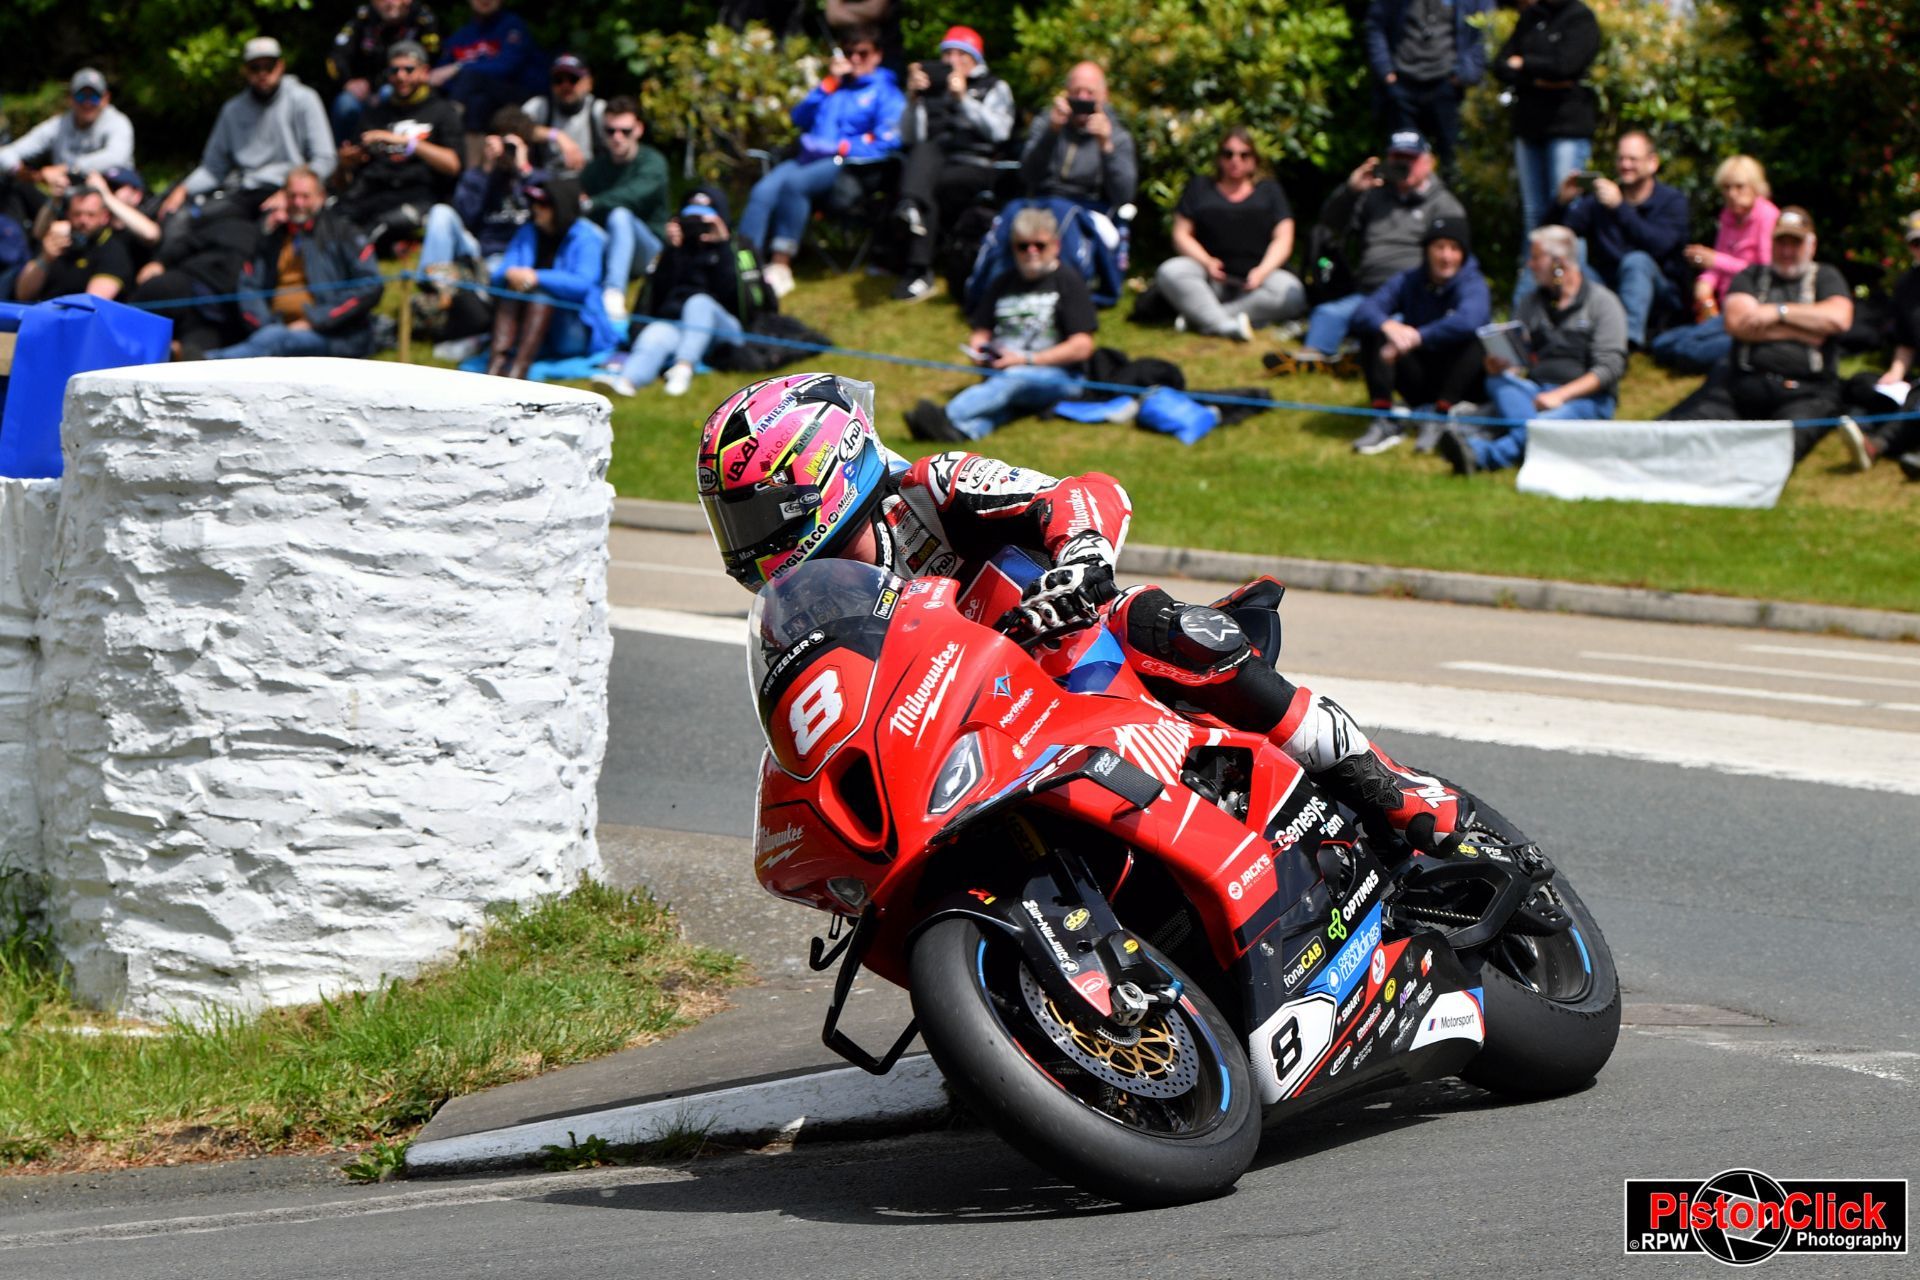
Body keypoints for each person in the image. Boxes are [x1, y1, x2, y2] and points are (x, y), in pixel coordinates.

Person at [696, 370, 1475, 856]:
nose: (752, 545)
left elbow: (1082, 489)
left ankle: (1385, 780)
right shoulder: (815, 606)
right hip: (978, 742)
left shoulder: (931, 488)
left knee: (1160, 625)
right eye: (734, 523)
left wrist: (1082, 560)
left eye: (759, 515)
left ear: (822, 477)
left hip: (1082, 674)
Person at [1656, 207, 1853, 465]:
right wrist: (1806, 329)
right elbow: (1737, 323)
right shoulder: (1751, 275)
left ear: (1811, 245)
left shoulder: (1826, 277)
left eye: (1795, 243)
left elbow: (1838, 318)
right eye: (1781, 242)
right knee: (1679, 431)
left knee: (1779, 448)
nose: (1787, 251)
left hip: (1807, 391)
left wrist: (1775, 312)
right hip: (1743, 383)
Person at [1437, 223, 1626, 475]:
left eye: (1536, 258)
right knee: (1497, 382)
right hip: (1534, 392)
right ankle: (1533, 433)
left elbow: (1610, 368)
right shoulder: (1530, 303)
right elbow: (1520, 359)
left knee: (1544, 426)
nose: (1530, 265)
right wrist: (1502, 366)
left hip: (1585, 399)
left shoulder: (1603, 303)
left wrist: (1560, 396)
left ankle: (1481, 453)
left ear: (1559, 262)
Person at [903, 205, 1096, 442]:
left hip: (1060, 377)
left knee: (1014, 379)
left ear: (1056, 246)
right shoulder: (1002, 282)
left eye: (1040, 245)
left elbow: (1082, 345)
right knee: (1006, 403)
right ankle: (960, 432)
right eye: (1023, 246)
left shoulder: (1068, 281)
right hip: (1002, 371)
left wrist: (1026, 360)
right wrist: (979, 351)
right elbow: (981, 330)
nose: (1031, 252)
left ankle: (946, 416)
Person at [737, 26, 904, 299]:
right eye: (849, 53)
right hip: (807, 158)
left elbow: (888, 142)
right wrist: (827, 85)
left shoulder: (886, 93)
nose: (855, 59)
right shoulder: (835, 87)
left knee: (794, 184)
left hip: (849, 164)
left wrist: (843, 146)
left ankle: (780, 266)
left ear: (877, 55)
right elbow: (798, 118)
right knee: (762, 192)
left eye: (862, 53)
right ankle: (743, 265)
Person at [1291, 130, 1466, 367]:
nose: (1404, 165)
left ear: (1428, 162)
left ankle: (1359, 359)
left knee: (1394, 325)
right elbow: (1329, 226)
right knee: (1327, 314)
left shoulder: (1444, 205)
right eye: (1397, 158)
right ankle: (1314, 361)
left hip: (1411, 295)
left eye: (1410, 159)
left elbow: (1452, 259)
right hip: (1368, 292)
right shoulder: (1374, 195)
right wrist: (1351, 191)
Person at [591, 188, 771, 399]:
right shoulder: (677, 249)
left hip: (726, 328)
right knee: (656, 331)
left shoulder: (738, 246)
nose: (697, 225)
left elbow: (741, 302)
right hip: (682, 327)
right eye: (690, 218)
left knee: (698, 303)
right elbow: (657, 298)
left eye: (704, 219)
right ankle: (626, 381)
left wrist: (722, 246)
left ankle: (683, 367)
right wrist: (672, 252)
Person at [890, 25, 1015, 302]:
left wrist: (963, 100)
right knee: (925, 157)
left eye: (961, 54)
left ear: (976, 60)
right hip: (935, 163)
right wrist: (912, 100)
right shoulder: (931, 90)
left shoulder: (994, 87)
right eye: (947, 54)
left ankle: (918, 268)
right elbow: (909, 137)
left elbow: (1000, 131)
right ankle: (912, 209)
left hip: (976, 164)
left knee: (925, 188)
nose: (952, 61)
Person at [205, 166, 385, 358]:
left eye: (305, 196)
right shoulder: (273, 236)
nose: (298, 203)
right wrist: (265, 324)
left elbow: (370, 285)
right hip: (273, 332)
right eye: (292, 196)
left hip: (335, 337)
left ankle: (202, 362)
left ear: (321, 197)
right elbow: (249, 287)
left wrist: (316, 320)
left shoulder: (343, 233)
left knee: (277, 340)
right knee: (272, 338)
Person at [1348, 215, 1490, 454]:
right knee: (1375, 332)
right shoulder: (1408, 280)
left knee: (1477, 338)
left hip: (1461, 382)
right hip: (1420, 375)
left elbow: (1470, 319)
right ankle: (1384, 420)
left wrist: (1418, 336)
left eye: (1454, 249)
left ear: (1464, 254)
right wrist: (1388, 327)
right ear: (1427, 250)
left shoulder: (1473, 282)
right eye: (1440, 247)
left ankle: (1441, 417)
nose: (1446, 256)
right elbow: (1363, 312)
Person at [1153, 126, 1306, 342]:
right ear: (1219, 158)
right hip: (1210, 280)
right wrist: (1206, 262)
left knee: (1292, 292)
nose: (1236, 160)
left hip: (1257, 283)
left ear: (1254, 159)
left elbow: (1284, 238)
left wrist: (1262, 271)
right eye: (1228, 154)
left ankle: (1204, 318)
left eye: (1244, 155)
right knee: (1171, 271)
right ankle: (1224, 325)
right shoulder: (1200, 187)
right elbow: (1181, 234)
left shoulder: (1269, 191)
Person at [158, 38, 336, 220]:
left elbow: (324, 159)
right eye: (255, 68)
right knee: (191, 222)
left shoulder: (304, 99)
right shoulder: (232, 110)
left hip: (289, 192)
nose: (262, 73)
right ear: (245, 71)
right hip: (243, 192)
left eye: (269, 66)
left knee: (267, 231)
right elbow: (213, 168)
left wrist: (292, 194)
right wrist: (183, 189)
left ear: (281, 66)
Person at [1547, 130, 1687, 347]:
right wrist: (1561, 203)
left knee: (1637, 261)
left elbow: (1660, 246)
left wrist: (1620, 208)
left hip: (1660, 295)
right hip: (1608, 290)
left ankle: (1624, 345)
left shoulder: (1672, 201)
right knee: (1570, 265)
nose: (1625, 165)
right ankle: (1562, 339)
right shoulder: (1599, 201)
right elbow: (1554, 238)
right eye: (1621, 158)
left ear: (1652, 163)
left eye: (1633, 159)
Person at [1650, 154, 1778, 374]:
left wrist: (1716, 260)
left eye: (1739, 187)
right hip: (1720, 310)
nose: (1732, 194)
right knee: (1661, 344)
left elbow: (1765, 271)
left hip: (1749, 309)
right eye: (1726, 188)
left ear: (1756, 186)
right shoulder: (1728, 216)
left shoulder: (1768, 216)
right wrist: (1704, 284)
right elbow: (1715, 267)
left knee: (1687, 350)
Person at [485, 171, 618, 379]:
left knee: (541, 293)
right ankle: (496, 363)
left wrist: (535, 277)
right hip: (531, 328)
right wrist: (511, 273)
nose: (536, 209)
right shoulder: (528, 231)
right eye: (534, 203)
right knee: (512, 288)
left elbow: (583, 284)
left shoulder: (586, 238)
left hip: (572, 333)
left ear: (561, 208)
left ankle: (519, 369)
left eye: (544, 204)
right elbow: (500, 273)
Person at [330, 40, 464, 242]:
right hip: (373, 192)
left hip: (418, 195)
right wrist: (344, 165)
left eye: (408, 70)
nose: (401, 77)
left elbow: (453, 164)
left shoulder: (443, 112)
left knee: (375, 230)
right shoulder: (374, 115)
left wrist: (406, 142)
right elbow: (344, 182)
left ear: (424, 71)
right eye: (395, 70)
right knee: (331, 221)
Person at [1492, 0, 1600, 237]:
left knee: (1566, 206)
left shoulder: (1580, 17)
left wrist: (1525, 63)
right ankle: (1533, 274)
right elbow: (1500, 66)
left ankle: (1570, 272)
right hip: (1529, 126)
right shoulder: (1532, 16)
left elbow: (1565, 66)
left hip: (1567, 127)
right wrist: (1537, 79)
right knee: (1533, 211)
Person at [1363, 0, 1493, 172]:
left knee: (1456, 161)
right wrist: (1386, 72)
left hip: (1448, 85)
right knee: (1403, 164)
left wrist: (1466, 74)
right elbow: (1375, 26)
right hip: (1403, 84)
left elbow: (1485, 29)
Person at [1839, 210, 1920, 470]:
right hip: (1914, 382)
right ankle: (1875, 435)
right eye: (1917, 243)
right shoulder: (1907, 285)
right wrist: (1895, 373)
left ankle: (1877, 445)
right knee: (1860, 384)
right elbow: (1906, 343)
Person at [584, 96, 670, 323]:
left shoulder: (653, 163)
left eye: (625, 131)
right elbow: (578, 201)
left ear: (639, 129)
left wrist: (593, 203)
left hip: (648, 249)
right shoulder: (597, 167)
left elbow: (631, 197)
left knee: (620, 215)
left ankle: (614, 294)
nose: (617, 137)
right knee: (581, 226)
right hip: (609, 246)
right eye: (610, 131)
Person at [1018, 61, 1137, 214]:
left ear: (1104, 95)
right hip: (1041, 205)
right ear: (1066, 92)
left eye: (1089, 93)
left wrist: (1106, 146)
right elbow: (1027, 176)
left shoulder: (1118, 137)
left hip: (1091, 211)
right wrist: (1051, 133)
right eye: (1076, 91)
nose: (1082, 98)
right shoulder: (1047, 122)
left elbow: (1124, 196)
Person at [430, 0, 546, 154]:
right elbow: (439, 76)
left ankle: (448, 126)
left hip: (514, 98)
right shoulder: (462, 35)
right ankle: (473, 173)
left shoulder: (512, 26)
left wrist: (459, 67)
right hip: (476, 105)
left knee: (470, 78)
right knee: (477, 102)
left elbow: (507, 67)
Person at [0, 69, 136, 197]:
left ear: (105, 98)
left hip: (109, 197)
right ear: (70, 98)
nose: (87, 103)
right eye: (81, 96)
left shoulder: (118, 122)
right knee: (14, 188)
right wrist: (33, 176)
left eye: (94, 97)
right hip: (65, 199)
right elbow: (5, 154)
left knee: (124, 189)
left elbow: (117, 157)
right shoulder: (58, 125)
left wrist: (68, 169)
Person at [327, 0, 443, 139]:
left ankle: (389, 151)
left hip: (405, 88)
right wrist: (348, 82)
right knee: (345, 103)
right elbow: (336, 56)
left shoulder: (422, 18)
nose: (389, 2)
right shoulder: (364, 16)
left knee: (387, 93)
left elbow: (433, 62)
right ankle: (344, 154)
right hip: (367, 90)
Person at [9, 187, 134, 302]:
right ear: (68, 214)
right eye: (77, 214)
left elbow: (91, 303)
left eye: (91, 215)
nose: (83, 220)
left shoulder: (113, 251)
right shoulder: (56, 243)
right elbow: (22, 294)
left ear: (104, 216)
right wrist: (45, 258)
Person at [522, 53, 604, 175]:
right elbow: (507, 123)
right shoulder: (540, 106)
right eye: (558, 80)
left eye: (573, 79)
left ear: (589, 83)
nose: (565, 86)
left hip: (589, 183)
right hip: (547, 183)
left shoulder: (599, 110)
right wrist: (556, 135)